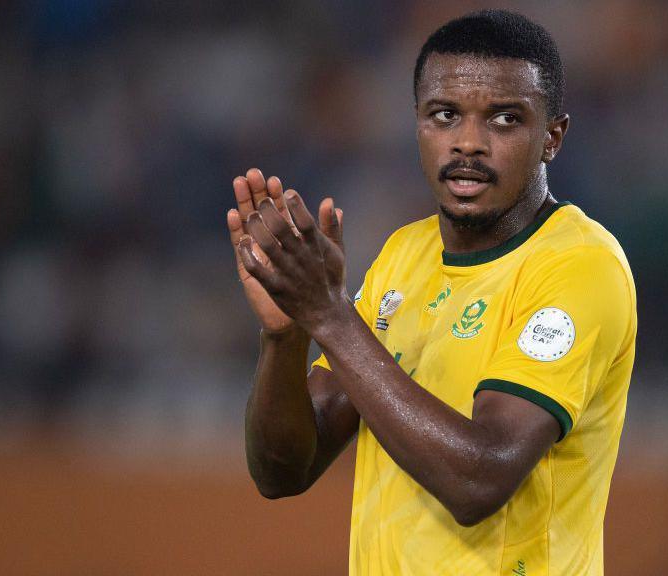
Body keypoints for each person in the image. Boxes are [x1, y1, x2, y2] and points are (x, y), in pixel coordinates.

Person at [226, 10, 636, 575]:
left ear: (552, 137)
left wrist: (329, 314)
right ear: (418, 124)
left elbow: (480, 477)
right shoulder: (404, 255)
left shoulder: (580, 265)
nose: (469, 142)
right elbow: (281, 471)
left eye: (504, 119)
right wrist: (287, 333)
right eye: (445, 115)